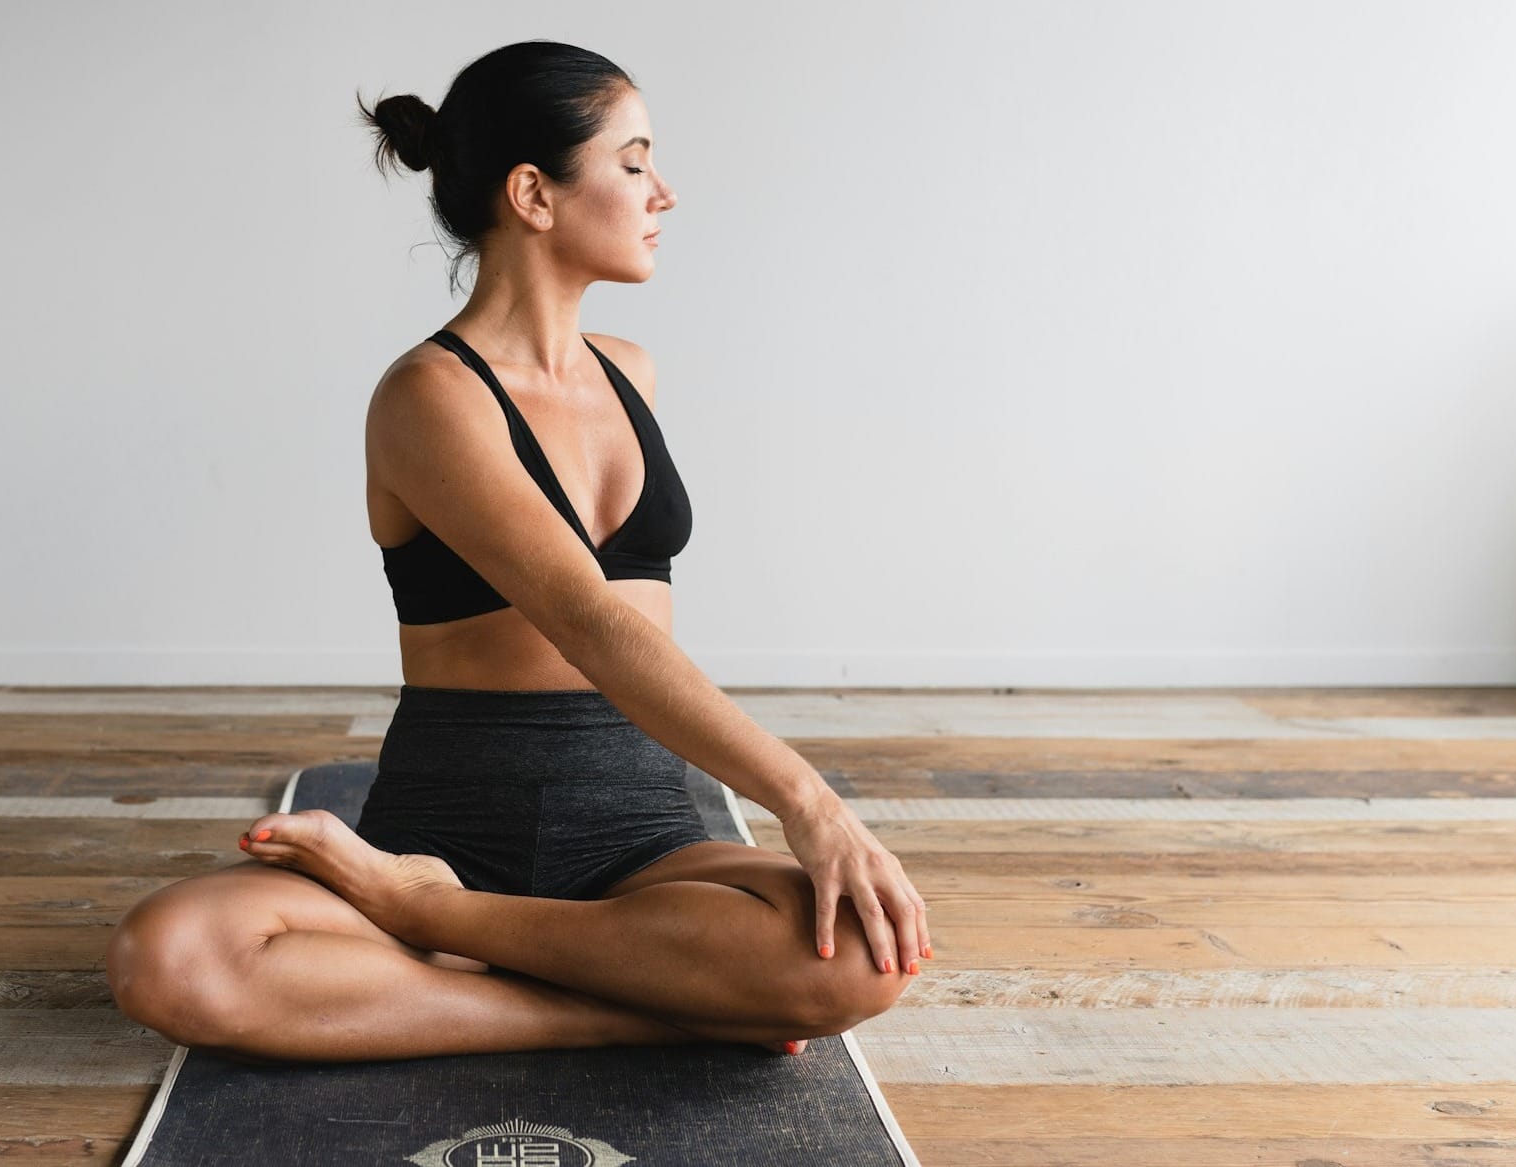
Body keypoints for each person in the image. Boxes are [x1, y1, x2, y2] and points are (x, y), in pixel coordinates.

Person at [106, 40, 929, 1066]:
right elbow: (587, 621)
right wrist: (809, 802)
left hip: (637, 834)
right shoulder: (428, 396)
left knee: (863, 955)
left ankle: (450, 934)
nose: (661, 192)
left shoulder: (632, 374)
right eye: (631, 163)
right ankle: (623, 996)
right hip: (445, 826)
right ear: (533, 193)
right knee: (172, 957)